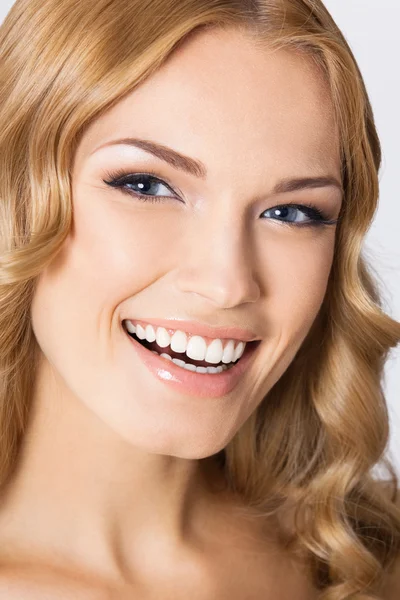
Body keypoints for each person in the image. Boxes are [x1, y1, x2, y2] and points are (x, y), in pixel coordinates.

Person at [0, 0, 399, 597]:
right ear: (15, 196)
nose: (227, 283)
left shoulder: (367, 555)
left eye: (291, 213)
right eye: (146, 185)